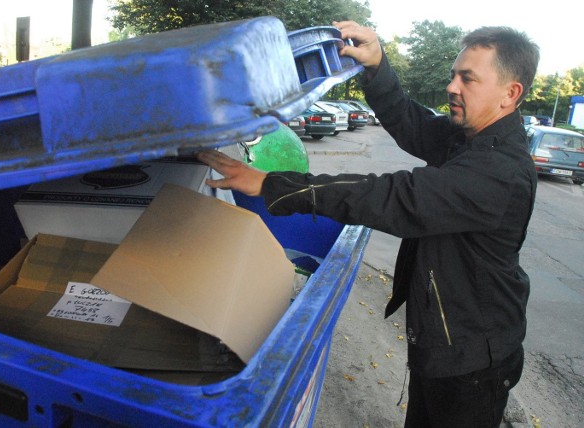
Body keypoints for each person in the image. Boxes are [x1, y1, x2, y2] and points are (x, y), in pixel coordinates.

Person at [197, 21, 539, 428]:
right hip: (444, 343)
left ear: (510, 93)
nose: (452, 86)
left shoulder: (499, 171)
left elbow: (394, 197)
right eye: (453, 75)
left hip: (472, 360)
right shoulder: (466, 139)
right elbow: (412, 123)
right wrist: (377, 67)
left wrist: (274, 185)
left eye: (468, 78)